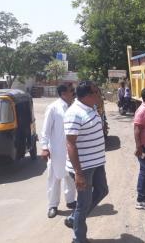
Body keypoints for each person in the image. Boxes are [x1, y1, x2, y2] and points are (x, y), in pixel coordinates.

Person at [64, 81, 109, 243]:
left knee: (103, 190)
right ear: (87, 96)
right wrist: (78, 173)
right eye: (96, 93)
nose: (99, 95)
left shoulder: (91, 108)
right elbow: (70, 143)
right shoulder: (74, 113)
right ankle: (79, 239)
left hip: (96, 163)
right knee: (83, 204)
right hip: (83, 168)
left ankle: (74, 218)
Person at [40, 83, 77, 218]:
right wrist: (44, 148)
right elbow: (45, 129)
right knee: (55, 178)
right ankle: (53, 205)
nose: (73, 93)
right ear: (63, 94)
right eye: (71, 91)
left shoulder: (74, 106)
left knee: (70, 176)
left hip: (70, 149)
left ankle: (71, 201)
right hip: (56, 150)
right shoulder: (53, 108)